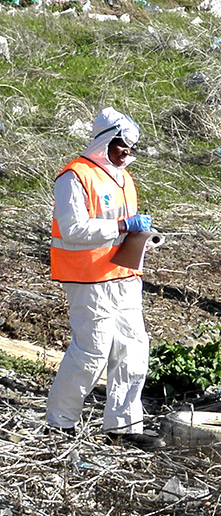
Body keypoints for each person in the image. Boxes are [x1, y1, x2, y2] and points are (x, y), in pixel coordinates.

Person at [45, 109, 158, 447]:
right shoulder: (74, 177)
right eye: (122, 144)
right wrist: (124, 227)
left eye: (131, 147)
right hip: (88, 279)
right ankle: (58, 424)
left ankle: (124, 427)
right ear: (104, 139)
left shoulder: (124, 178)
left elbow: (121, 226)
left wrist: (140, 236)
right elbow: (73, 228)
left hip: (124, 275)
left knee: (133, 350)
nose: (127, 152)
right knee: (91, 352)